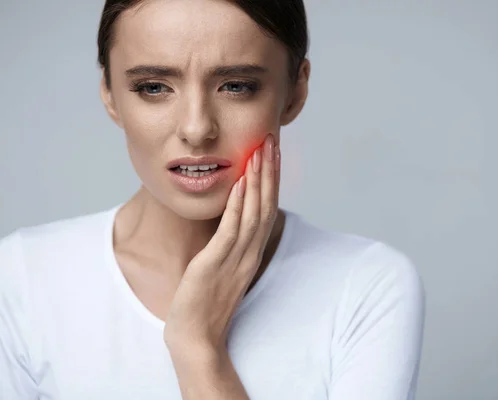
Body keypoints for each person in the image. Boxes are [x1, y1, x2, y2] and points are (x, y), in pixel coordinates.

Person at [0, 0, 425, 399]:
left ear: (295, 92)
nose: (197, 128)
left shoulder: (366, 285)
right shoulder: (21, 278)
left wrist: (198, 350)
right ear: (110, 94)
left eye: (236, 86)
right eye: (153, 87)